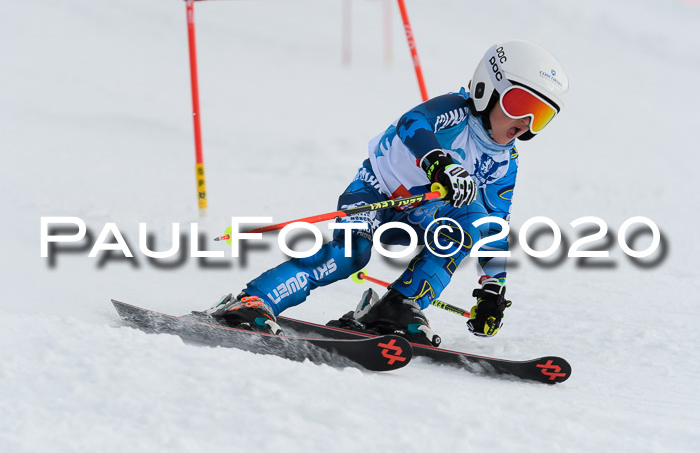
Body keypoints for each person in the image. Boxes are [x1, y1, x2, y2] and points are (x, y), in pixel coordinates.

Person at [204, 39, 569, 345]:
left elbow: (495, 223)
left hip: (422, 215)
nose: (525, 123)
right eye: (520, 105)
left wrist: (493, 286)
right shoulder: (456, 113)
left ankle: (396, 306)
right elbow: (413, 123)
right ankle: (253, 301)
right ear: (486, 87)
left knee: (471, 223)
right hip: (377, 192)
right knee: (351, 255)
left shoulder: (506, 162)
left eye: (541, 115)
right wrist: (438, 161)